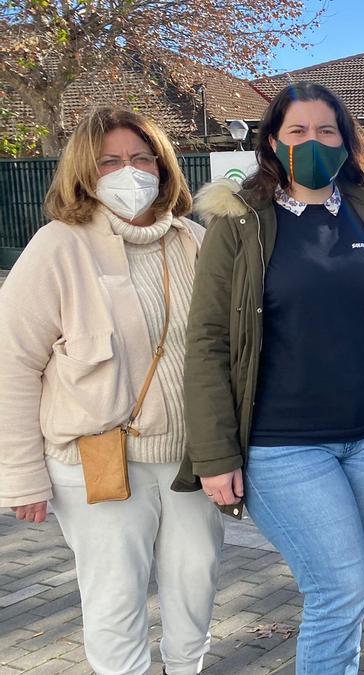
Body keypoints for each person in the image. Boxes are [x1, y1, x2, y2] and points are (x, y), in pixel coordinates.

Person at [177, 82, 364, 674]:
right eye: (298, 131)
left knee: (341, 584)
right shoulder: (240, 220)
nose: (314, 142)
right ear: (273, 141)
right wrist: (215, 452)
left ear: (347, 142)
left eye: (327, 131)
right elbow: (208, 340)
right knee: (342, 586)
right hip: (283, 445)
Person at [0, 107, 223, 674]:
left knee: (194, 588)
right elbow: (14, 365)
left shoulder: (194, 240)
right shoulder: (58, 246)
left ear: (163, 165)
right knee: (115, 601)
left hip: (191, 460)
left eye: (141, 158)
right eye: (111, 162)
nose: (130, 171)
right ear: (85, 172)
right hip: (98, 459)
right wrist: (21, 477)